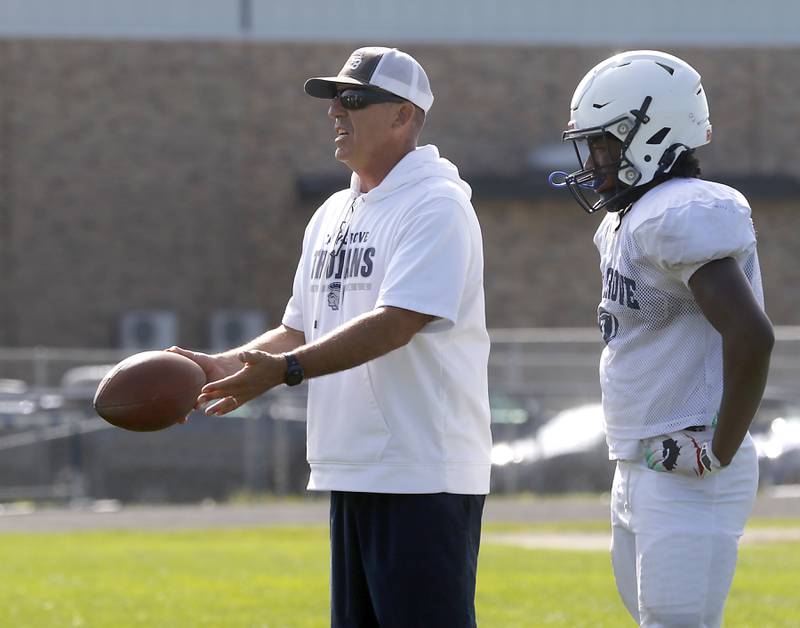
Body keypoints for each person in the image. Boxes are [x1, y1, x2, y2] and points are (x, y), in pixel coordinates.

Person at [171, 47, 491, 627]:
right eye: (332, 100)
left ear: (404, 116)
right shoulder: (333, 213)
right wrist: (224, 365)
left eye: (354, 100)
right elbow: (298, 327)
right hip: (352, 466)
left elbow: (398, 322)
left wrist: (288, 370)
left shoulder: (437, 205)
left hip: (422, 472)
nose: (335, 113)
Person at [549, 50, 774, 627]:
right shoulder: (627, 218)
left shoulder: (679, 211)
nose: (593, 161)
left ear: (653, 135)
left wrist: (718, 450)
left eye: (604, 144)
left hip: (691, 457)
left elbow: (750, 334)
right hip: (644, 458)